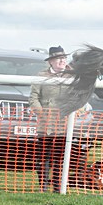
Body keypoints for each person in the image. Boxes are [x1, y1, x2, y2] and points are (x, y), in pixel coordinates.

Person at [29, 46, 72, 192]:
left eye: (64, 58)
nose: (62, 61)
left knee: (60, 158)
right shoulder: (41, 75)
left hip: (64, 123)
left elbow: (80, 97)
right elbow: (33, 98)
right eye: (59, 58)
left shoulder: (72, 76)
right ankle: (43, 186)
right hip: (45, 124)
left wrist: (76, 111)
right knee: (43, 157)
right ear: (51, 61)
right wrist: (42, 114)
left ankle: (58, 186)